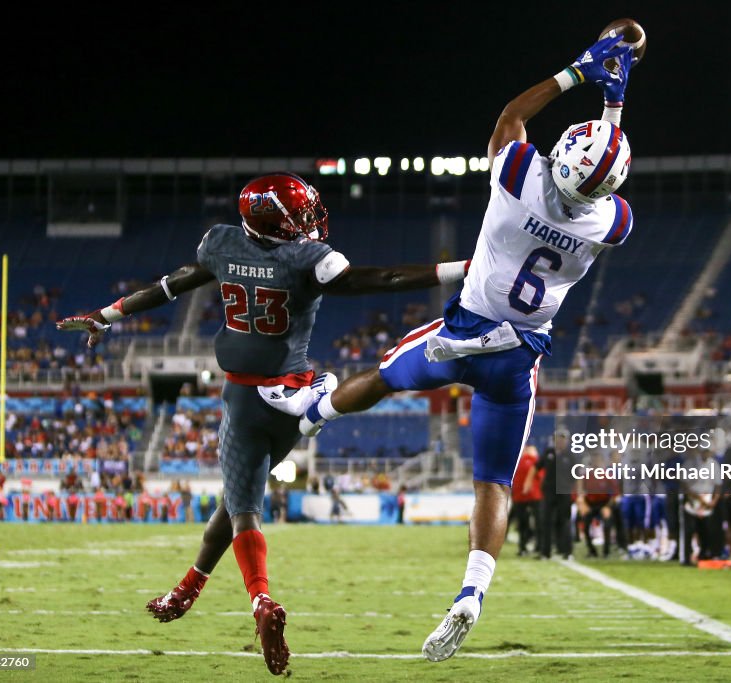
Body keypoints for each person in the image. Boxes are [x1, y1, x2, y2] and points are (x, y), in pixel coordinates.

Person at [262, 35, 637, 661]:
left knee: (382, 377)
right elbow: (603, 172)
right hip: (519, 357)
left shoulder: (519, 176)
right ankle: (471, 593)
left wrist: (579, 74)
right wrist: (616, 102)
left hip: (466, 330)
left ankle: (312, 414)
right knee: (493, 481)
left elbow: (511, 119)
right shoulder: (612, 224)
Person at [57, 173, 469, 675]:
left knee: (244, 510)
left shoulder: (221, 241)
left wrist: (107, 314)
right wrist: (460, 268)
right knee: (234, 503)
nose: (309, 223)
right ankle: (187, 588)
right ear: (279, 222)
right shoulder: (306, 259)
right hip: (289, 398)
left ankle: (260, 601)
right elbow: (379, 280)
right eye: (300, 215)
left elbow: (169, 286)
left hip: (246, 397)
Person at [534, 429, 574, 560]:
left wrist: (577, 492)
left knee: (565, 521)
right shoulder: (548, 453)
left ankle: (566, 551)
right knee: (546, 521)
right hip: (549, 492)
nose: (560, 441)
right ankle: (545, 552)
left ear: (566, 441)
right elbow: (536, 468)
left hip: (564, 492)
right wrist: (529, 484)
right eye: (558, 438)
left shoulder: (571, 455)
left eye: (562, 439)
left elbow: (578, 475)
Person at [510, 444, 541, 556]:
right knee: (537, 522)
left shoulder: (516, 462)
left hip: (521, 497)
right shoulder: (534, 460)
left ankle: (523, 547)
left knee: (523, 523)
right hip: (532, 496)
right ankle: (537, 547)